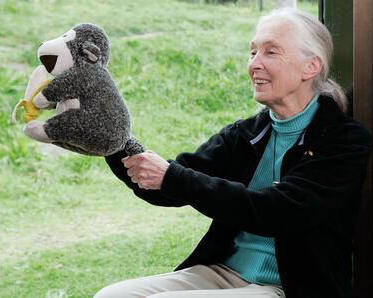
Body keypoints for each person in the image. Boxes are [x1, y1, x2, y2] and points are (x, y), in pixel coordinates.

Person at [95, 8, 371, 298]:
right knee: (111, 295)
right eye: (253, 52)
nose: (255, 64)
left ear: (311, 67)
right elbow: (166, 188)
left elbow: (279, 210)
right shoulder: (246, 134)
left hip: (289, 286)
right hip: (225, 272)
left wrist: (172, 176)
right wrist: (110, 137)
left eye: (271, 52)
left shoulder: (343, 140)